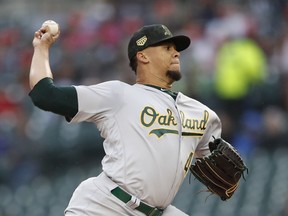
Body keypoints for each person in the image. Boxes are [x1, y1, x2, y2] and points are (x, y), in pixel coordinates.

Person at [29, 23, 222, 216]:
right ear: (143, 56)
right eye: (167, 48)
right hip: (106, 206)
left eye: (176, 49)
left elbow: (220, 164)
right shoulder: (118, 94)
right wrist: (41, 48)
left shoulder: (200, 112)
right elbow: (44, 95)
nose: (176, 53)